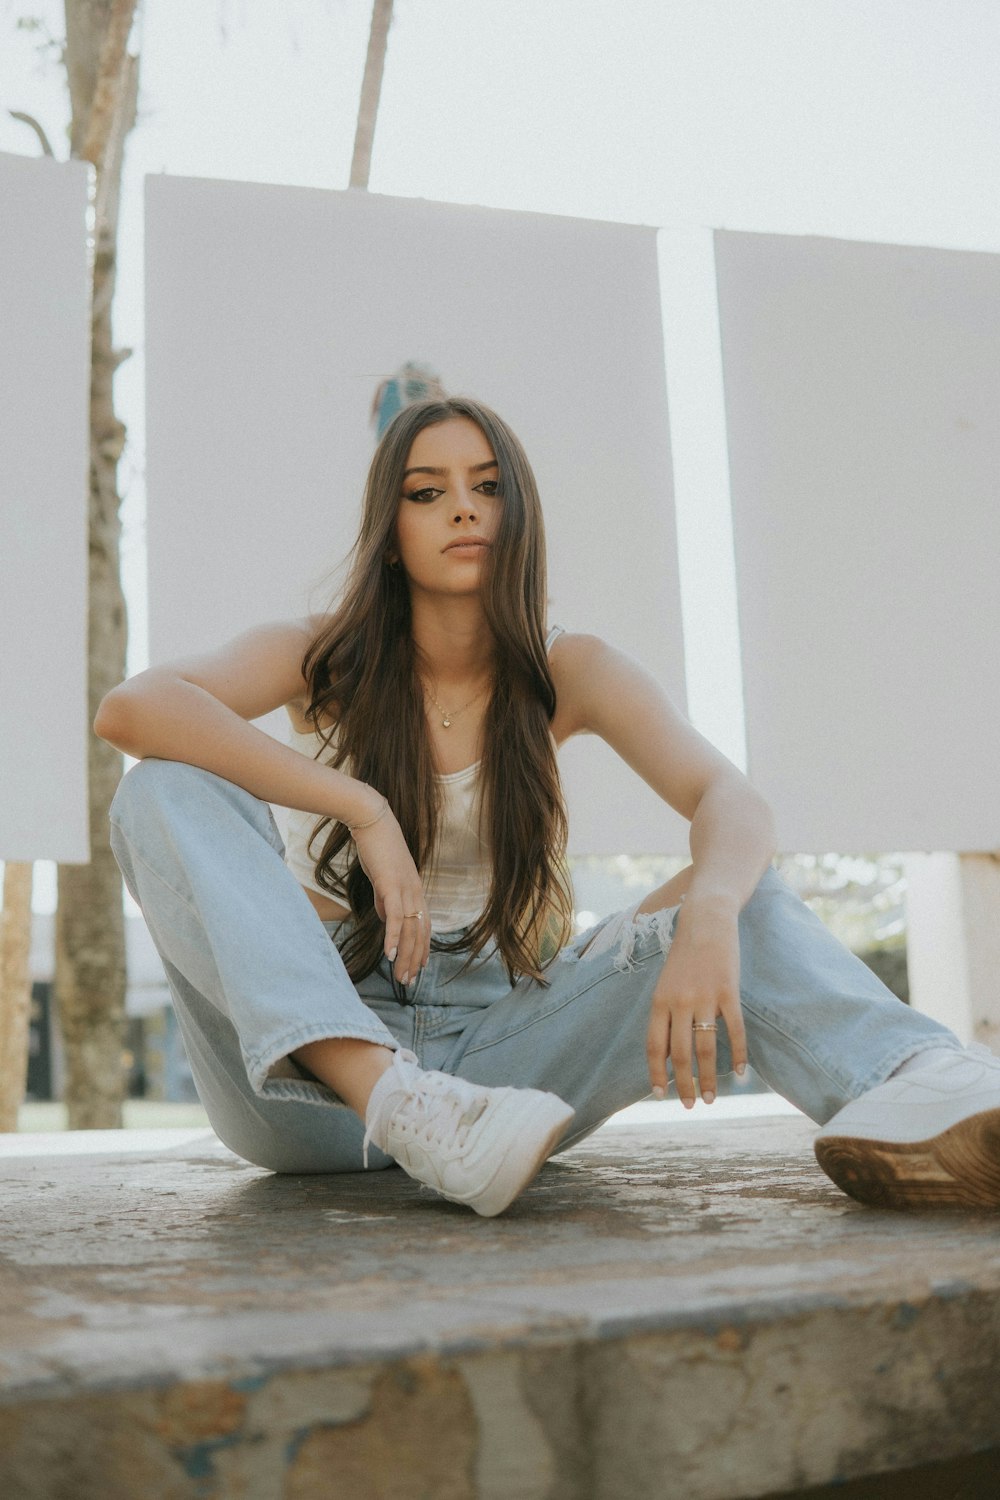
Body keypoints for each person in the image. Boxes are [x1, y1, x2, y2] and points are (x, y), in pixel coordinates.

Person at [98, 396, 1000, 1218]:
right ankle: (397, 1097)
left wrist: (712, 914)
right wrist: (360, 806)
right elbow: (133, 709)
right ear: (390, 530)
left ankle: (925, 1087)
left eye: (486, 487)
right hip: (307, 1090)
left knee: (736, 889)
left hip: (506, 1078)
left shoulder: (570, 670)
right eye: (427, 492)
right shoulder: (318, 656)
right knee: (163, 787)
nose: (462, 508)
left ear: (516, 512)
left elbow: (729, 796)